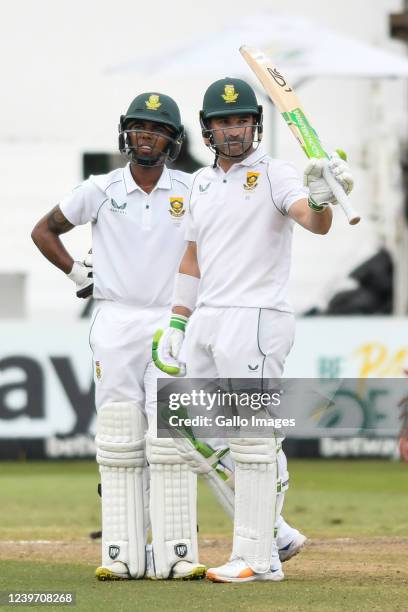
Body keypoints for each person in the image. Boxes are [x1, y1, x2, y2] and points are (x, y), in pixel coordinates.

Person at [153, 77, 353, 583]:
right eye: (223, 122)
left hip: (258, 317)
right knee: (190, 430)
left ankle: (259, 556)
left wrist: (323, 197)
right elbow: (193, 254)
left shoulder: (275, 174)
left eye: (242, 119)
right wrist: (179, 319)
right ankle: (277, 532)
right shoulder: (199, 182)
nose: (234, 129)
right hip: (209, 318)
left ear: (255, 125)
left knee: (253, 436)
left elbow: (313, 220)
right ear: (207, 130)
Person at [31, 92, 206, 581]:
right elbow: (44, 230)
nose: (146, 136)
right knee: (120, 436)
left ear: (172, 140)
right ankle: (123, 547)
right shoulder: (100, 189)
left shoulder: (192, 189)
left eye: (157, 129)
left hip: (172, 322)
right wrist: (76, 275)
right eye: (139, 127)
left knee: (168, 439)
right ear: (126, 133)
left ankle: (172, 549)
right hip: (115, 321)